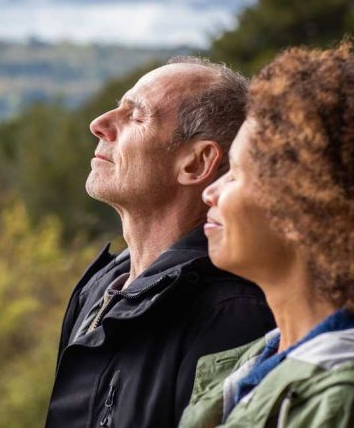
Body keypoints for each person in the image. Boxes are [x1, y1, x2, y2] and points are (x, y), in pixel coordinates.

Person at [179, 45, 354, 428]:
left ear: (303, 209)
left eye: (236, 174)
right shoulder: (259, 366)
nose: (209, 192)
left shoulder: (353, 409)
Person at [44, 57, 275, 428]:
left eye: (136, 116)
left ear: (197, 164)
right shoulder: (101, 285)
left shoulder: (234, 314)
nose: (99, 124)